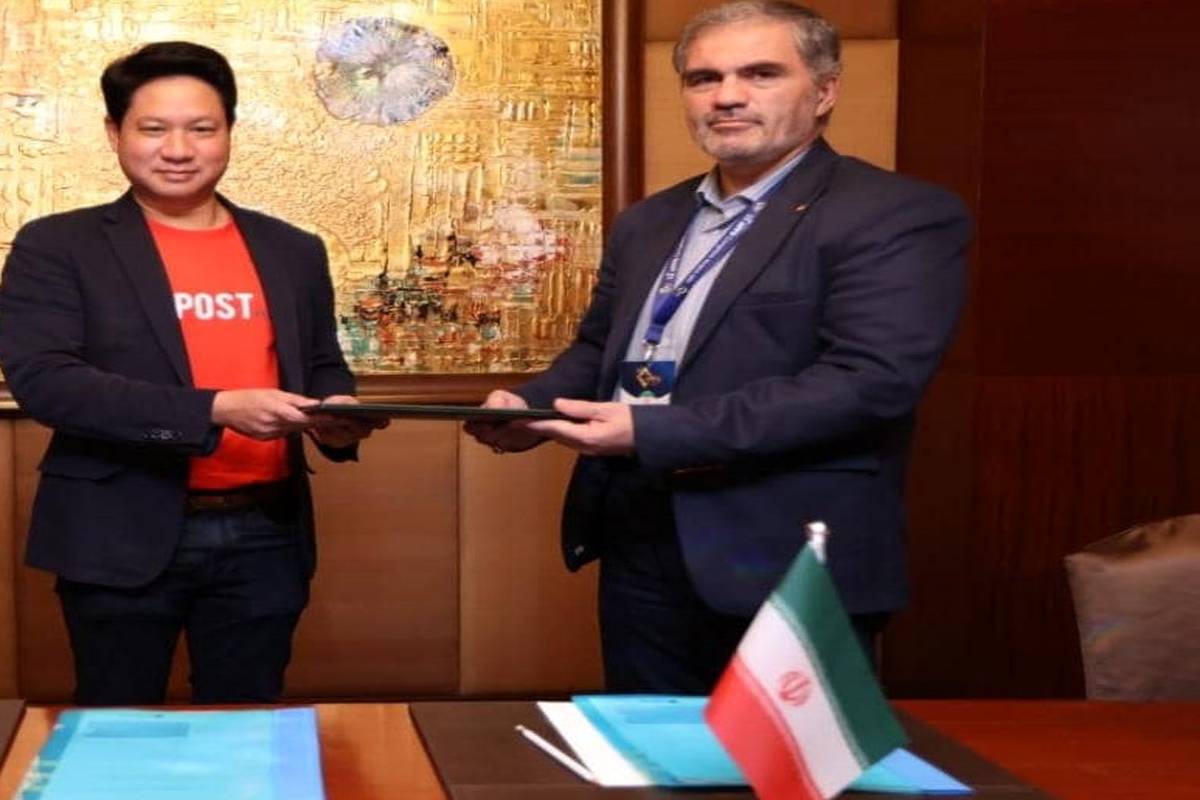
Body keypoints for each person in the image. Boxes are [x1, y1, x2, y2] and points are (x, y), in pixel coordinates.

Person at [467, 1, 970, 693]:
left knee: (785, 759)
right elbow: (601, 348)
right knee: (650, 747)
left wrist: (652, 430)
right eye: (704, 78)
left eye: (761, 74)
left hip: (787, 552)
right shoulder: (649, 221)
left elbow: (868, 382)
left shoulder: (895, 214)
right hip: (640, 537)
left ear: (825, 91)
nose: (727, 96)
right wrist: (527, 406)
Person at [0, 41, 383, 705]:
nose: (178, 149)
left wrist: (337, 414)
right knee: (119, 726)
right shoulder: (58, 245)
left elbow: (321, 363)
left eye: (201, 128)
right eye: (154, 128)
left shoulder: (291, 249)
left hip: (266, 533)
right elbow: (47, 383)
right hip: (119, 527)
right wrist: (214, 409)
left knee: (246, 726)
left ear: (229, 131)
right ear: (115, 133)